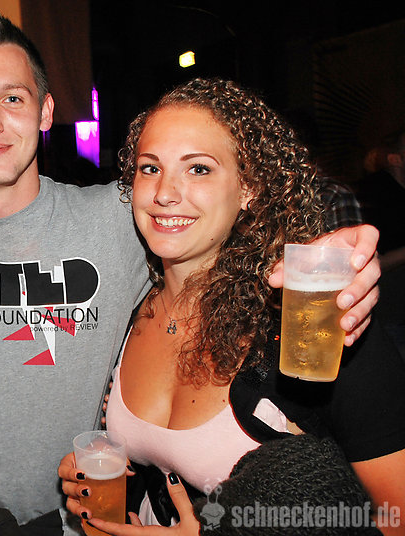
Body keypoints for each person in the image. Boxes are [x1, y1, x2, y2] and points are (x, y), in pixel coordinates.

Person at [0, 10, 381, 536]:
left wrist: (336, 260)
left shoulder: (123, 215)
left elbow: (223, 220)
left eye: (12, 99)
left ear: (46, 111)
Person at [58, 78, 405, 534]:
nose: (164, 192)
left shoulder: (315, 322)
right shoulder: (131, 303)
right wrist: (105, 476)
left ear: (248, 188)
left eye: (198, 168)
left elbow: (394, 517)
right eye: (150, 167)